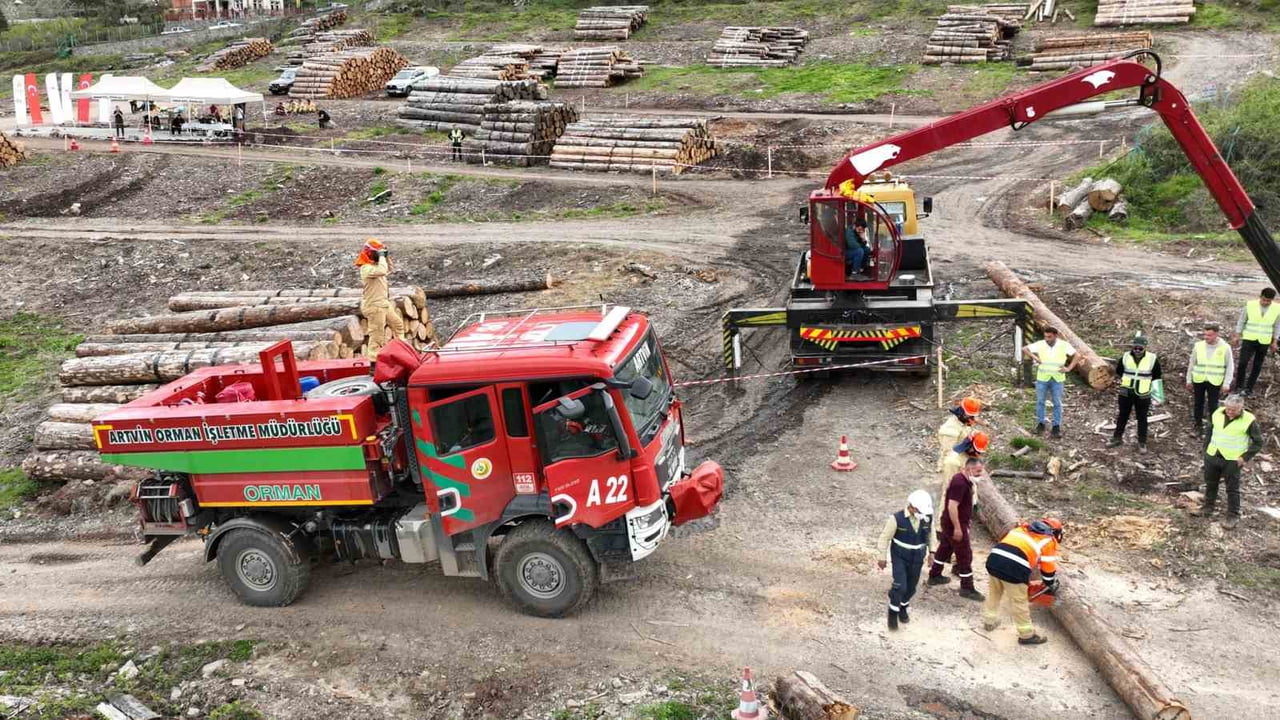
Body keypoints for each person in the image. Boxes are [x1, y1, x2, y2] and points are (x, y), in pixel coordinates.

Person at [982, 517, 1063, 645]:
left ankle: (989, 621)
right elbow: (1047, 567)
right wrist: (1049, 583)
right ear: (1055, 532)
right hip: (1015, 567)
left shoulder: (1020, 529)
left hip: (994, 560)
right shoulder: (1048, 540)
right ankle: (1026, 635)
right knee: (1019, 602)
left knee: (995, 593)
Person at [1193, 394, 1262, 529]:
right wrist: (1206, 450)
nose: (1230, 412)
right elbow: (1209, 432)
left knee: (1232, 488)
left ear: (1241, 408)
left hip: (1232, 460)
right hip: (1213, 455)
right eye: (1228, 408)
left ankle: (1233, 515)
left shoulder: (1249, 420)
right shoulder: (1217, 413)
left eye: (1234, 410)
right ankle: (1208, 507)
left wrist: (1245, 457)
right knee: (1211, 483)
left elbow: (1258, 442)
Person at [876, 490, 936, 631]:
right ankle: (893, 614)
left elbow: (931, 534)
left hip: (917, 557)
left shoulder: (927, 517)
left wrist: (932, 552)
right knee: (899, 586)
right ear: (912, 507)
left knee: (911, 588)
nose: (923, 514)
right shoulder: (896, 519)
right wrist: (882, 557)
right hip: (900, 556)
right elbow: (884, 538)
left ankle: (903, 605)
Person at [927, 456, 985, 600]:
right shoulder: (960, 483)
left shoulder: (965, 480)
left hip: (952, 523)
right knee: (965, 555)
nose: (980, 475)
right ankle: (967, 587)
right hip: (955, 524)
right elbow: (952, 506)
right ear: (968, 469)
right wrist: (958, 528)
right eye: (978, 471)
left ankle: (934, 575)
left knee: (945, 548)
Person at [1108, 332, 1162, 453]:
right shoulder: (1125, 357)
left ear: (1145, 347)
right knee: (1122, 415)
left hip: (1143, 394)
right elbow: (1120, 371)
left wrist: (1155, 393)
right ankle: (1117, 438)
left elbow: (1157, 376)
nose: (1137, 350)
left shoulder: (1152, 359)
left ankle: (1142, 442)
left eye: (1140, 348)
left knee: (1142, 418)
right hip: (1126, 391)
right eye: (1135, 347)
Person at [1023, 327, 1078, 438]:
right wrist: (1035, 358)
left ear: (1055, 335)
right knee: (1040, 401)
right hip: (1042, 378)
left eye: (1049, 337)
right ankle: (1040, 424)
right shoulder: (1041, 344)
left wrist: (1069, 368)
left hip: (1057, 378)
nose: (1047, 339)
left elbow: (1078, 355)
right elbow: (1024, 349)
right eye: (1045, 336)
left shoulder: (1063, 345)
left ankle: (1056, 427)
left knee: (1057, 403)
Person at [355, 239, 406, 359]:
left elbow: (388, 269)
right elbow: (382, 270)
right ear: (370, 253)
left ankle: (403, 352)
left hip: (383, 303)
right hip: (374, 306)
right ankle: (374, 362)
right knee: (377, 335)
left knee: (398, 325)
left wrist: (385, 256)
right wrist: (381, 257)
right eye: (377, 253)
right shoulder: (366, 268)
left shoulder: (375, 265)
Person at [1185, 322, 1233, 437]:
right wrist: (1188, 380)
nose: (1206, 337)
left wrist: (1226, 383)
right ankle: (1197, 425)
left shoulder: (1225, 347)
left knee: (1213, 405)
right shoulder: (1198, 346)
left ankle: (1212, 428)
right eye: (1205, 335)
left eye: (1209, 335)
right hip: (1199, 379)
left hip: (1215, 380)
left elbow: (1230, 366)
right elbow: (1192, 363)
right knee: (1198, 403)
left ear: (1217, 334)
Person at [1234, 288, 1280, 396]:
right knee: (1242, 363)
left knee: (1257, 365)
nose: (1265, 303)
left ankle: (1249, 388)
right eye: (1264, 300)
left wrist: (1274, 341)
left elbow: (1277, 326)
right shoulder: (1250, 305)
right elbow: (1242, 321)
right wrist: (1237, 335)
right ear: (1260, 296)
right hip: (1249, 338)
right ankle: (1239, 386)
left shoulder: (1277, 308)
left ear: (1272, 300)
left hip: (1264, 340)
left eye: (1268, 301)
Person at [938, 431, 988, 501]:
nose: (978, 455)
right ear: (969, 445)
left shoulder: (970, 458)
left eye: (979, 452)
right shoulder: (953, 461)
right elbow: (950, 486)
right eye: (977, 451)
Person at [936, 397, 981, 472]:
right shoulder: (950, 430)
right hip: (950, 466)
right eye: (970, 416)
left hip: (961, 459)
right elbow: (948, 453)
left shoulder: (962, 423)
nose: (972, 418)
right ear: (962, 412)